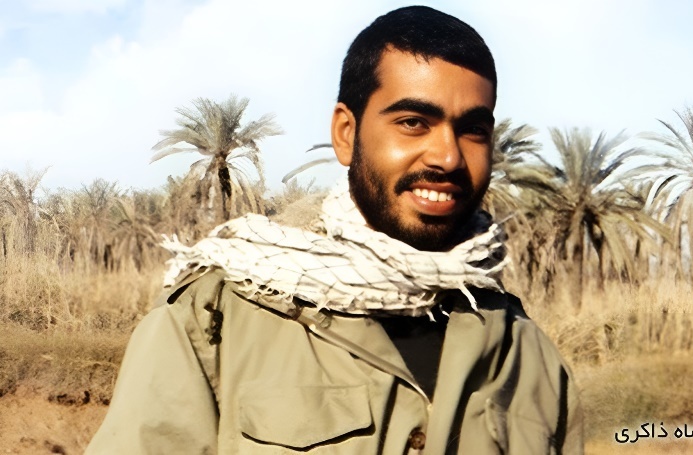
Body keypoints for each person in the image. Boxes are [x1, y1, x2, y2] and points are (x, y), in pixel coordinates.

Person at [87, 5, 583, 454]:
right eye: (414, 122)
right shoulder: (214, 322)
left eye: (472, 129)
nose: (448, 157)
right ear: (346, 134)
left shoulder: (529, 357)